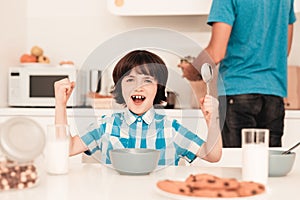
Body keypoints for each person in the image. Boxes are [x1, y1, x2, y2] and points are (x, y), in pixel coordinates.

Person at [55, 50, 222, 165]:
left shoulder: (171, 129)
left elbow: (212, 155)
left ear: (159, 88)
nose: (138, 87)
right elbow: (67, 149)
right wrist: (61, 105)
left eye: (147, 80)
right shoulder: (106, 126)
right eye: (130, 80)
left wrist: (212, 120)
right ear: (119, 88)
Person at [178, 0, 296, 147]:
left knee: (235, 165)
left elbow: (216, 53)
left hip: (237, 92)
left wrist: (192, 71)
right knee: (267, 167)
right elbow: (284, 51)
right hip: (274, 95)